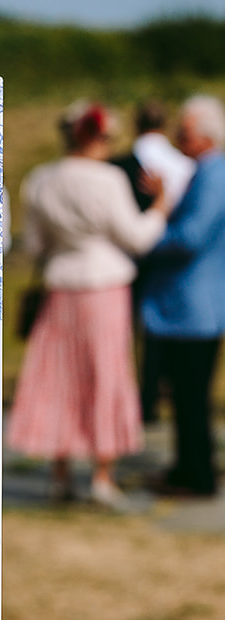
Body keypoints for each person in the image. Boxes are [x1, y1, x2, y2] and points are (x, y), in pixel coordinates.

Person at [8, 102, 168, 507]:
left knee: (59, 376)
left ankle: (60, 475)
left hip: (62, 285)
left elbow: (37, 245)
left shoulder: (41, 179)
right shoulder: (109, 179)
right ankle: (102, 474)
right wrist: (161, 207)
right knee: (106, 374)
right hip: (104, 286)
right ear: (95, 138)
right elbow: (137, 237)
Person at [139, 95, 225, 497]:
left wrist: (146, 238)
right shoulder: (205, 172)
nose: (177, 136)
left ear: (207, 136)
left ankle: (196, 475)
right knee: (187, 396)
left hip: (193, 307)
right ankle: (188, 467)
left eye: (185, 131)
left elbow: (190, 236)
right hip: (194, 305)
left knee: (190, 396)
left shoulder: (214, 174)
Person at [113, 103, 196, 421]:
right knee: (158, 328)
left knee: (122, 331)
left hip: (126, 255)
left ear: (136, 124)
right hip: (168, 256)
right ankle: (153, 395)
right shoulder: (184, 164)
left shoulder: (117, 165)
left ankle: (126, 397)